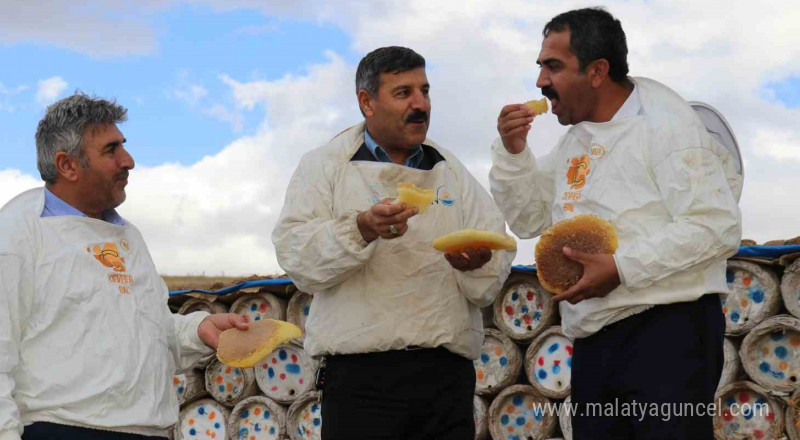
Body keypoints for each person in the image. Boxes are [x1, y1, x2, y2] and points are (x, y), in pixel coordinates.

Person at [488, 8, 741, 439]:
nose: (539, 82)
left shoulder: (666, 126)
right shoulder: (576, 142)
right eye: (540, 67)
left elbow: (715, 226)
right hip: (594, 339)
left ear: (597, 71)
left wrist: (622, 268)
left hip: (668, 334)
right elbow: (529, 220)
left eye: (553, 66)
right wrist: (513, 154)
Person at [0, 93, 248, 440]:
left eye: (123, 146)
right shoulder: (15, 234)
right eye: (111, 150)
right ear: (67, 165)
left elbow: (149, 336)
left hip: (150, 432)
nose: (128, 160)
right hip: (62, 432)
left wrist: (197, 331)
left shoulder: (127, 237)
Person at [272, 46, 515, 440]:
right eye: (403, 93)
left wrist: (478, 264)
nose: (420, 104)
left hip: (446, 379)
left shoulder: (450, 170)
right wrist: (361, 229)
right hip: (360, 382)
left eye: (425, 90)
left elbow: (495, 248)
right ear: (366, 102)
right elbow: (296, 256)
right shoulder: (325, 165)